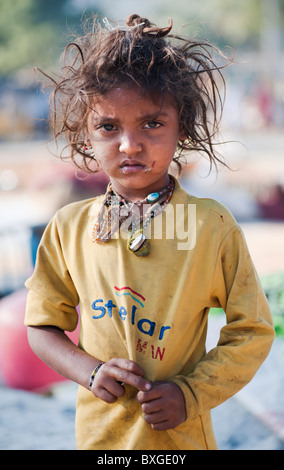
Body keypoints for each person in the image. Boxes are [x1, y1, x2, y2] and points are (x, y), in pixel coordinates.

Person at [25, 14, 275, 450]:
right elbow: (42, 327)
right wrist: (90, 372)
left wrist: (191, 393)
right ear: (86, 135)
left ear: (182, 128)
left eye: (152, 124)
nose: (129, 145)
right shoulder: (69, 228)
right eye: (108, 127)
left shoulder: (210, 226)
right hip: (99, 443)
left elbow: (252, 330)